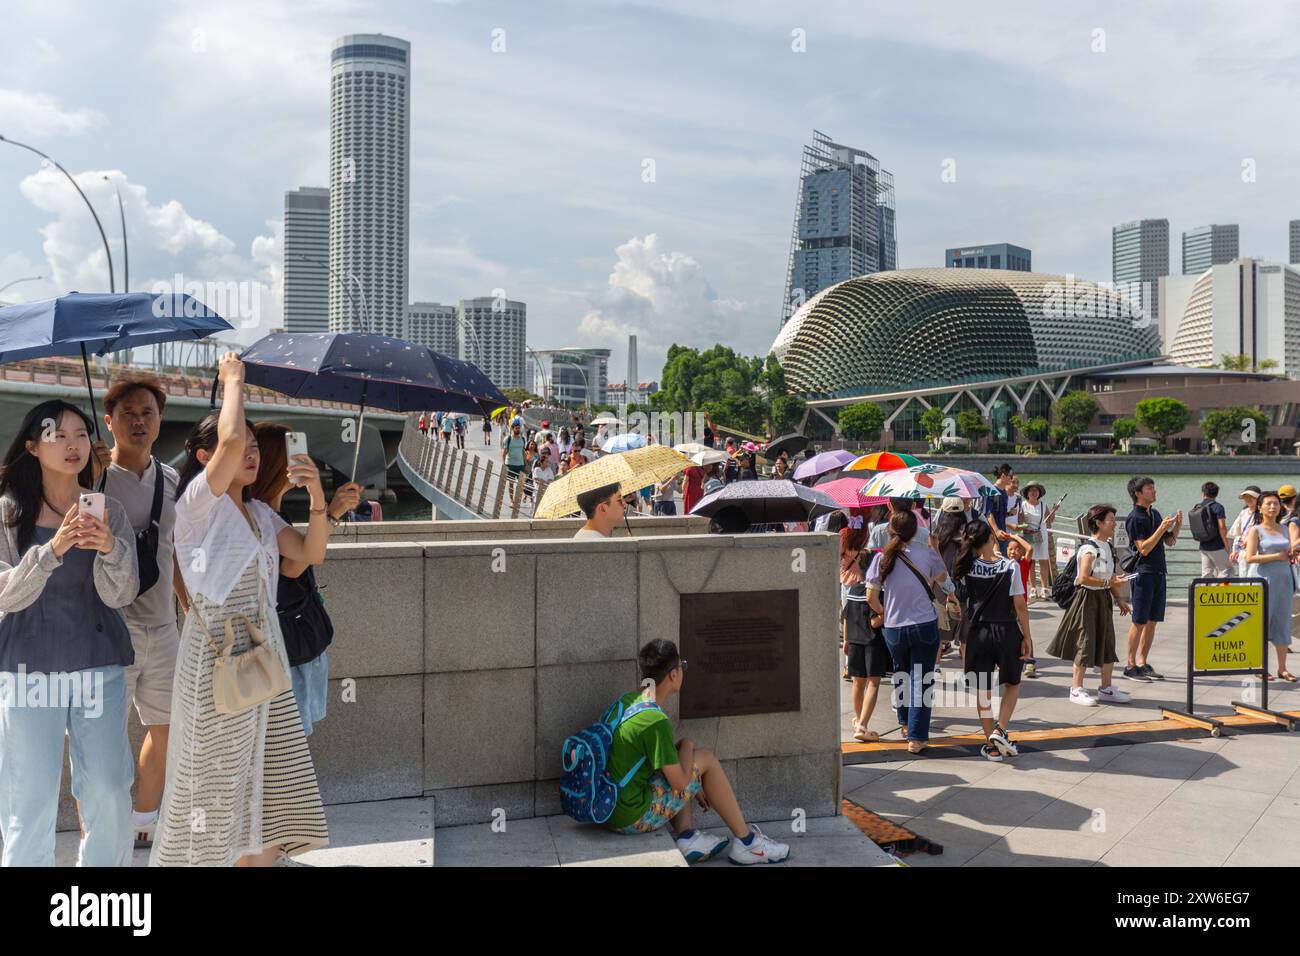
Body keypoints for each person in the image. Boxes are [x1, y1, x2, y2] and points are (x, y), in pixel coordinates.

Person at [152, 352, 329, 867]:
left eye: (256, 449)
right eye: (241, 448)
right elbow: (229, 440)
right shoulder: (195, 507)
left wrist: (317, 495)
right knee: (212, 779)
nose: (250, 455)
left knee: (269, 775)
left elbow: (310, 552)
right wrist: (234, 380)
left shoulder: (258, 512)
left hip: (263, 655)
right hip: (214, 662)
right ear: (207, 457)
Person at [0, 400, 139, 867]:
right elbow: (6, 595)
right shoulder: (7, 513)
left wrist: (110, 549)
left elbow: (122, 594)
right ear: (32, 446)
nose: (72, 444)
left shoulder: (109, 511)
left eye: (80, 433)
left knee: (108, 789)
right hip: (26, 669)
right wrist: (54, 547)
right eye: (57, 435)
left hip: (97, 666)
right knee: (28, 796)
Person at [92, 375, 182, 850]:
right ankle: (98, 828)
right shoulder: (91, 479)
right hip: (109, 628)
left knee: (166, 728)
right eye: (127, 413)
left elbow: (178, 553)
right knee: (101, 737)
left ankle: (142, 823)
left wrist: (191, 613)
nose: (139, 421)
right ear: (109, 422)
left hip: (164, 627)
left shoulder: (172, 480)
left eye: (147, 412)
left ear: (160, 420)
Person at [602, 639, 790, 864]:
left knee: (684, 760)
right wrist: (688, 744)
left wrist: (691, 771)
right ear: (673, 674)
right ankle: (748, 843)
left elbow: (659, 761)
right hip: (629, 818)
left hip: (607, 807)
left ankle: (687, 837)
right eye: (682, 666)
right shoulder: (654, 721)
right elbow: (680, 783)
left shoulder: (628, 701)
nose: (683, 671)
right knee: (705, 758)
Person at [249, 424, 361, 736]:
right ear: (276, 465)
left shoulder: (268, 512)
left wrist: (330, 512)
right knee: (290, 744)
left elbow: (306, 553)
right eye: (293, 455)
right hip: (287, 646)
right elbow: (293, 569)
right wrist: (331, 510)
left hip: (291, 642)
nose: (303, 460)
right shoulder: (259, 513)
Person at [864, 510, 949, 753]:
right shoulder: (927, 554)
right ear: (916, 531)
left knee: (901, 676)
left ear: (891, 530)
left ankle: (904, 724)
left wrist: (884, 611)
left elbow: (870, 597)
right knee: (921, 681)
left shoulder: (881, 559)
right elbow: (943, 578)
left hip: (893, 628)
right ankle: (917, 736)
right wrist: (935, 548)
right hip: (923, 625)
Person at [951, 519, 1033, 760]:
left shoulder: (965, 566)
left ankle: (991, 745)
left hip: (977, 633)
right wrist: (1027, 636)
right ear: (991, 538)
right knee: (1013, 683)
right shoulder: (1010, 566)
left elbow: (960, 595)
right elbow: (1020, 604)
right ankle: (1001, 729)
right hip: (1006, 630)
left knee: (983, 690)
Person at [1047, 504, 1133, 706]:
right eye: (1110, 519)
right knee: (1084, 642)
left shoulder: (1108, 546)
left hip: (1103, 598)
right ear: (1098, 523)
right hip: (1086, 599)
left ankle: (1106, 688)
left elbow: (1109, 576)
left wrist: (1118, 598)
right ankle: (1076, 689)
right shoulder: (1089, 548)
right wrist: (1109, 583)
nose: (1114, 523)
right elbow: (1083, 578)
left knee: (1107, 642)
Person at [1123, 476, 1180, 683]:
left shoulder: (1154, 514)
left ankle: (1142, 662)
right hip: (1143, 573)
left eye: (1153, 487)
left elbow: (1170, 542)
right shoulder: (1134, 517)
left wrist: (1175, 527)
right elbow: (1143, 548)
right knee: (1138, 620)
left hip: (1158, 572)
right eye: (1149, 488)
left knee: (1152, 621)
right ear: (1138, 493)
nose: (1154, 491)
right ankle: (1130, 665)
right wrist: (1161, 527)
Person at [1244, 491, 1298, 681]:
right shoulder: (1256, 530)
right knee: (1261, 623)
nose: (1273, 507)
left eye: (1276, 504)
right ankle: (1259, 665)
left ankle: (1282, 668)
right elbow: (1250, 557)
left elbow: (1288, 552)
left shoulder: (1284, 528)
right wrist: (1277, 556)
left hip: (1284, 580)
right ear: (1260, 507)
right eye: (1268, 504)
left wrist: (1291, 554)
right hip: (1263, 581)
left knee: (1283, 622)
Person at [842, 539, 887, 742]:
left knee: (857, 683)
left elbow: (845, 616)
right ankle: (862, 725)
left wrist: (846, 640)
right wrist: (887, 614)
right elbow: (875, 622)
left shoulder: (853, 590)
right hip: (872, 642)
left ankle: (859, 719)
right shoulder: (877, 593)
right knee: (873, 683)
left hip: (854, 640)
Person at [1019, 482, 1058, 598]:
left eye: (1036, 490)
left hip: (1042, 535)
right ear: (1027, 493)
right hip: (1028, 534)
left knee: (1043, 561)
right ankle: (1033, 588)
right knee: (1031, 561)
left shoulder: (1043, 504)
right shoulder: (1023, 505)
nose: (1034, 493)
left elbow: (1049, 520)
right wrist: (1026, 528)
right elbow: (1020, 521)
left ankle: (1044, 588)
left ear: (1039, 493)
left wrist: (1054, 510)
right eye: (1031, 490)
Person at [1192, 481, 1231, 578]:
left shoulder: (1197, 507)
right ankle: (1222, 592)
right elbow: (1222, 526)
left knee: (1207, 573)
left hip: (1203, 546)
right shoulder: (1218, 507)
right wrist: (1226, 545)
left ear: (1203, 494)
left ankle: (1205, 592)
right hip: (1217, 545)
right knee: (1227, 570)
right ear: (1216, 494)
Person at [982, 463, 1017, 555]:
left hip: (1002, 533)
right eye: (1011, 476)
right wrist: (996, 530)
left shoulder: (1004, 493)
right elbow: (988, 513)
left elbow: (1000, 513)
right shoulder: (991, 491)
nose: (1012, 478)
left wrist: (1009, 513)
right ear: (1003, 476)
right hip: (991, 534)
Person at [1228, 486, 1262, 576]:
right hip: (1243, 550)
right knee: (1243, 575)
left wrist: (1250, 538)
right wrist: (1234, 550)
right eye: (1246, 497)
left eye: (1252, 497)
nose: (1248, 499)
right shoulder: (1244, 512)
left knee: (1254, 576)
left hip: (1257, 550)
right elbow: (1237, 532)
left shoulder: (1263, 512)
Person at [501, 422, 527, 493]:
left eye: (519, 428)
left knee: (521, 484)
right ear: (512, 428)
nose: (518, 430)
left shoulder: (522, 439)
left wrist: (526, 464)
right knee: (511, 484)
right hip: (510, 464)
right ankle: (512, 501)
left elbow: (523, 452)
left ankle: (516, 499)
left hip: (520, 464)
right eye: (516, 428)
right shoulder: (508, 439)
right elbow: (504, 452)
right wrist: (503, 463)